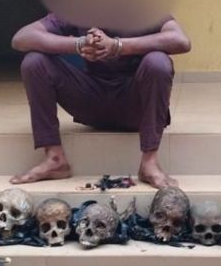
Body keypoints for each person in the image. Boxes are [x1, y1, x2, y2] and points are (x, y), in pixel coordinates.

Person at [10, 14, 191, 188]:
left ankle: (149, 163)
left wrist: (118, 46)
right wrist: (79, 44)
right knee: (34, 62)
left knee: (158, 62)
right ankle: (55, 159)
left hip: (135, 106)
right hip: (91, 101)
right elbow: (22, 38)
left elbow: (181, 40)